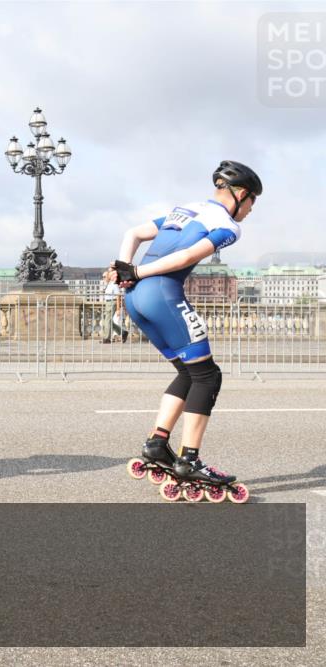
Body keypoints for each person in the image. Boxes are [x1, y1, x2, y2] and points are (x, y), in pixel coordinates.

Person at [108, 160, 260, 502]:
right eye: (252, 202)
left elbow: (131, 233)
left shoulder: (185, 209)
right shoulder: (229, 225)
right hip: (162, 293)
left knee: (188, 371)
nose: (251, 210)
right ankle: (189, 460)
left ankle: (158, 444)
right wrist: (138, 270)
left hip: (136, 298)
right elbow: (188, 255)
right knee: (208, 376)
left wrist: (125, 270)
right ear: (240, 194)